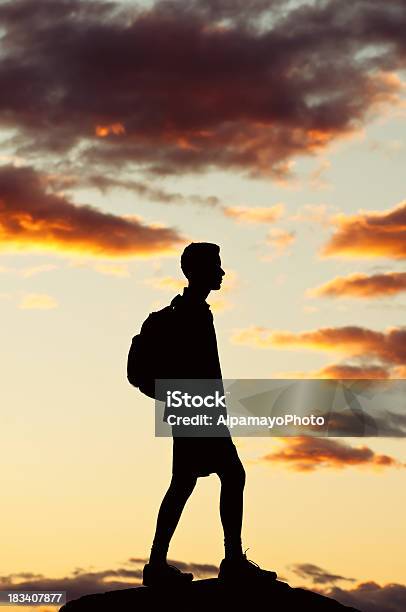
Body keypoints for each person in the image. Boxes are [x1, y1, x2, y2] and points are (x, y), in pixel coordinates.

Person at [142, 242, 277, 586]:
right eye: (216, 266)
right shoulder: (190, 314)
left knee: (186, 483)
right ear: (198, 271)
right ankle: (230, 560)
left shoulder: (196, 311)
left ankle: (158, 563)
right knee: (230, 475)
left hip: (197, 408)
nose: (221, 272)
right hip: (196, 408)